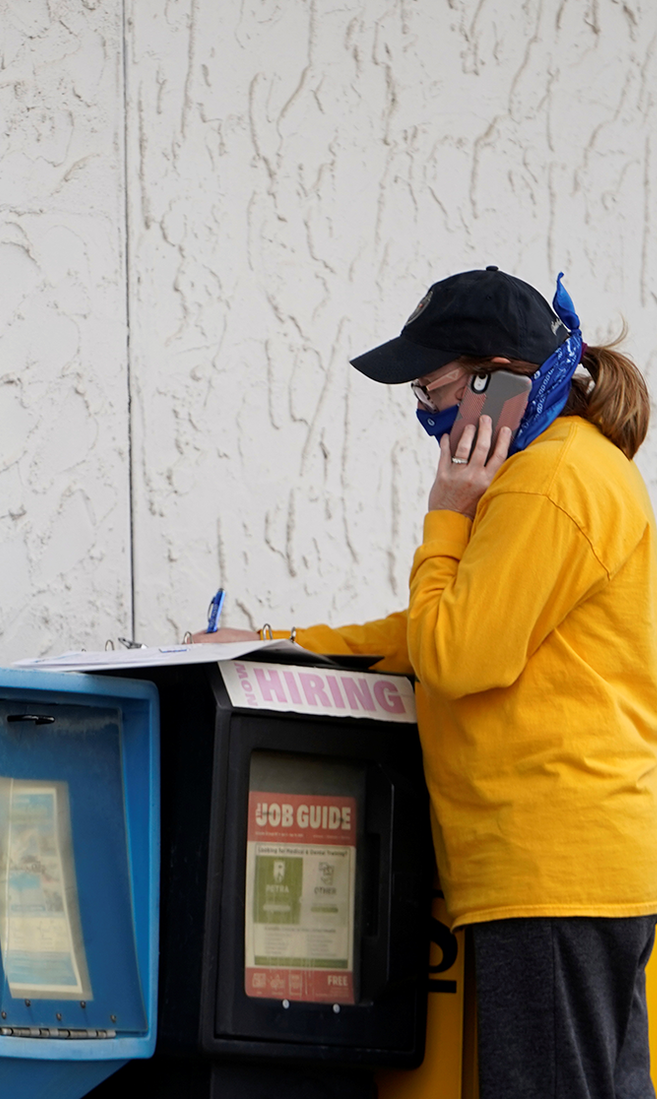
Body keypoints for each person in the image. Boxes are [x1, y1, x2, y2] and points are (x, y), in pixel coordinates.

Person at [195, 267, 657, 1099]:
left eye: (432, 385)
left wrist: (446, 510)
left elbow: (455, 653)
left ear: (500, 380)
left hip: (549, 865)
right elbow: (432, 631)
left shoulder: (551, 483)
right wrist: (276, 645)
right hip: (573, 866)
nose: (423, 410)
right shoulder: (547, 475)